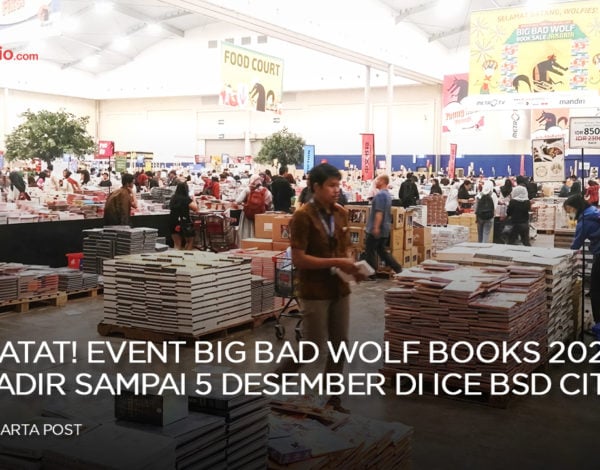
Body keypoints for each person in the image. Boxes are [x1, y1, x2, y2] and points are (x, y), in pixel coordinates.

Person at [289, 163, 365, 413]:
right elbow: (299, 259)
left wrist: (352, 267)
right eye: (331, 185)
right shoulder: (302, 217)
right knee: (312, 347)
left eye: (338, 185)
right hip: (315, 290)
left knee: (339, 344)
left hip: (339, 289)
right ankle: (269, 384)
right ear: (316, 187)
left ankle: (332, 399)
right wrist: (336, 262)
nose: (336, 190)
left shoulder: (341, 213)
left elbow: (344, 249)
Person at [564, 194, 600, 324]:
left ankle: (599, 324)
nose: (569, 214)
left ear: (576, 207)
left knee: (596, 291)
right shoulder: (594, 211)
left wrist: (564, 259)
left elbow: (576, 245)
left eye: (569, 210)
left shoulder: (585, 220)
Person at [364, 175, 402, 279]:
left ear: (382, 181)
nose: (375, 182)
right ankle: (397, 268)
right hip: (385, 228)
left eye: (377, 180)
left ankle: (371, 274)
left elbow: (379, 212)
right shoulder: (388, 195)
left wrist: (376, 227)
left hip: (377, 228)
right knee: (382, 251)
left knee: (370, 250)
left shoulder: (380, 195)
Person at [169, 181, 199, 250]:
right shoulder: (186, 199)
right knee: (189, 241)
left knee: (177, 244)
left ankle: (176, 255)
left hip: (172, 221)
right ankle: (186, 255)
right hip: (184, 221)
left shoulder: (173, 198)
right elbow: (195, 208)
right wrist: (194, 199)